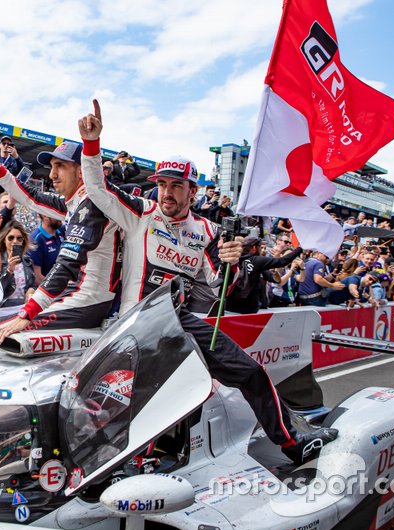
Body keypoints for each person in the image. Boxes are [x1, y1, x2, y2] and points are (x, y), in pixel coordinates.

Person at [76, 100, 336, 465]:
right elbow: (98, 190)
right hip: (135, 327)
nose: (166, 193)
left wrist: (233, 264)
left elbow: (217, 287)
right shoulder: (141, 214)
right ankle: (130, 464)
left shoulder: (209, 231)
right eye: (162, 185)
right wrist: (91, 145)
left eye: (176, 186)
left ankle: (293, 443)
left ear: (192, 191)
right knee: (147, 397)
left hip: (180, 324)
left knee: (251, 372)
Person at [0, 134, 121, 348]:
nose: (52, 174)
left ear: (81, 170)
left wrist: (28, 313)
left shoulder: (90, 205)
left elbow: (65, 265)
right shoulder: (77, 201)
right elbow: (32, 198)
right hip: (82, 296)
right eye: (52, 166)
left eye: (60, 166)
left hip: (88, 301)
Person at [226, 237, 303, 314]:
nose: (263, 250)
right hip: (248, 309)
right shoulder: (256, 260)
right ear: (254, 248)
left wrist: (275, 273)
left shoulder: (230, 260)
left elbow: (276, 279)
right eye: (260, 247)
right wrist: (300, 248)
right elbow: (282, 261)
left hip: (229, 307)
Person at [0, 221, 37, 306]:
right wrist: (9, 271)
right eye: (11, 238)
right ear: (4, 240)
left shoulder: (27, 261)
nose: (15, 241)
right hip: (3, 310)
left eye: (19, 238)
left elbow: (33, 284)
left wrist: (32, 289)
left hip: (23, 308)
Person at [28, 214, 64, 284]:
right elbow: (37, 277)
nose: (60, 215)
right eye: (55, 212)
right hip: (52, 290)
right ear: (45, 216)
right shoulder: (36, 239)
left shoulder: (62, 231)